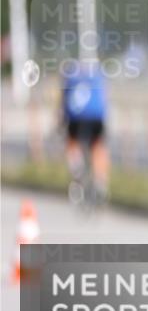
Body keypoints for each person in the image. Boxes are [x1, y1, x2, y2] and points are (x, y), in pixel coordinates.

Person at [61, 58, 110, 204]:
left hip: (76, 118)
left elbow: (64, 104)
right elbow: (105, 100)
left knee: (72, 142)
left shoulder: (70, 78)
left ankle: (77, 168)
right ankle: (101, 181)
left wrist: (60, 122)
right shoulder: (98, 77)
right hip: (96, 116)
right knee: (98, 146)